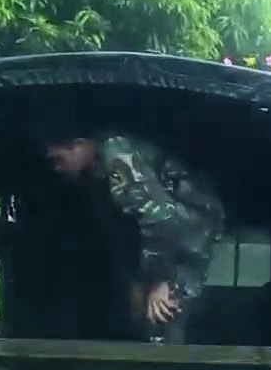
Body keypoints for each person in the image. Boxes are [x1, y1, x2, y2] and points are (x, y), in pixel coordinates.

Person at [42, 130, 225, 338]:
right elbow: (121, 234)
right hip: (172, 237)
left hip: (191, 228)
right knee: (143, 313)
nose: (57, 168)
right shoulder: (96, 175)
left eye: (58, 159)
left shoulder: (117, 155)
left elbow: (161, 218)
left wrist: (161, 279)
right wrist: (136, 282)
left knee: (163, 313)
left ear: (78, 144)